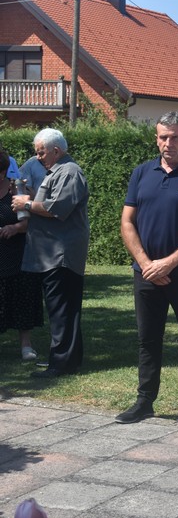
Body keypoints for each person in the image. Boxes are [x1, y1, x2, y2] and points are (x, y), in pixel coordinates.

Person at [116, 111, 178, 431]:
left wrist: (169, 263)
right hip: (145, 273)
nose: (168, 143)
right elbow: (127, 222)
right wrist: (147, 264)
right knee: (147, 339)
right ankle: (145, 401)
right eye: (163, 137)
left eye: (175, 137)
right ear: (156, 138)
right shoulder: (141, 173)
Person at [10, 129, 89, 378]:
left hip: (60, 255)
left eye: (41, 152)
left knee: (61, 311)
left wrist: (26, 204)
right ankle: (68, 360)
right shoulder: (58, 171)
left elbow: (57, 209)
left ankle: (61, 364)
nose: (38, 157)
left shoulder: (69, 171)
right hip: (53, 254)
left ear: (56, 150)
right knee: (64, 310)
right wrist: (30, 198)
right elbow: (50, 202)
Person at [0, 151, 43, 361]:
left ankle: (26, 345)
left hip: (19, 253)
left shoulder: (17, 190)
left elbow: (30, 222)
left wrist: (15, 228)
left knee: (22, 297)